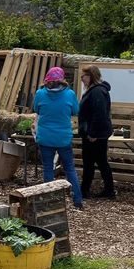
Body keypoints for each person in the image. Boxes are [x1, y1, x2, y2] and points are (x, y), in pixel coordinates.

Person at [32, 66, 83, 209]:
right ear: (62, 80)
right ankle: (77, 200)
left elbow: (37, 109)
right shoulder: (70, 94)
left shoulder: (40, 94)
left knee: (48, 169)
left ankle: (49, 201)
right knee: (70, 169)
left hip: (45, 137)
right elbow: (75, 111)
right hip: (63, 137)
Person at [79, 64, 115, 199]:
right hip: (96, 133)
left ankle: (85, 190)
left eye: (83, 76)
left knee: (91, 163)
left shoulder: (96, 92)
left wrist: (92, 134)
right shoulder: (96, 90)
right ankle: (107, 190)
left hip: (95, 135)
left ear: (91, 76)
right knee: (100, 162)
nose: (82, 79)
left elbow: (99, 114)